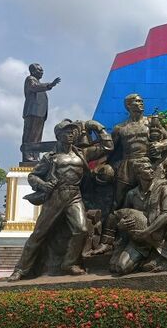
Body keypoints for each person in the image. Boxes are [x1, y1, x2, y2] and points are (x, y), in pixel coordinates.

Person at [8, 119, 112, 281]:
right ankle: (21, 269)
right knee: (39, 234)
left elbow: (107, 146)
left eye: (72, 132)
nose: (71, 134)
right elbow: (33, 175)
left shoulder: (81, 153)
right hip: (56, 196)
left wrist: (99, 127)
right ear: (58, 136)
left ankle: (69, 263)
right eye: (66, 132)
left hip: (74, 195)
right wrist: (43, 185)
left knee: (81, 229)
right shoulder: (50, 157)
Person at [91, 93, 167, 256]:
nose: (140, 103)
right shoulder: (120, 128)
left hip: (147, 164)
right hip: (127, 165)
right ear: (128, 105)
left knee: (153, 199)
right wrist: (98, 165)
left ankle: (155, 238)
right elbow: (110, 149)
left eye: (142, 101)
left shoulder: (152, 122)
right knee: (118, 203)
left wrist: (159, 145)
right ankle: (107, 242)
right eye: (136, 101)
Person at [110, 158, 167, 275]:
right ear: (138, 174)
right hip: (140, 241)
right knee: (121, 268)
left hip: (162, 237)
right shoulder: (131, 194)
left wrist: (147, 231)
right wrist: (121, 225)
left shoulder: (164, 188)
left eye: (151, 167)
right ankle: (148, 260)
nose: (152, 170)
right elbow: (123, 214)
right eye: (147, 168)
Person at [21, 63, 60, 163]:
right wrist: (49, 85)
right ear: (33, 71)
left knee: (37, 136)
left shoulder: (38, 82)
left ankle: (35, 155)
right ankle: (28, 156)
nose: (42, 72)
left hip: (40, 113)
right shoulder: (30, 79)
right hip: (33, 112)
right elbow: (35, 87)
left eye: (42, 70)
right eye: (39, 70)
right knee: (30, 135)